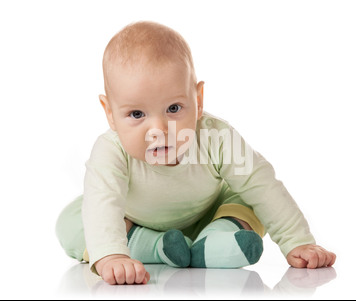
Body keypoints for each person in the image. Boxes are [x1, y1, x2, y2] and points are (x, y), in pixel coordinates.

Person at [56, 21, 336, 285]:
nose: (159, 129)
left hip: (209, 214)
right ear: (110, 114)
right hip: (133, 221)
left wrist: (297, 241)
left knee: (251, 200)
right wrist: (111, 255)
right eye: (137, 114)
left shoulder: (217, 137)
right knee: (75, 221)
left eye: (174, 109)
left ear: (198, 100)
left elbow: (262, 186)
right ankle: (154, 247)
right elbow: (104, 202)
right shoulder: (111, 151)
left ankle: (216, 240)